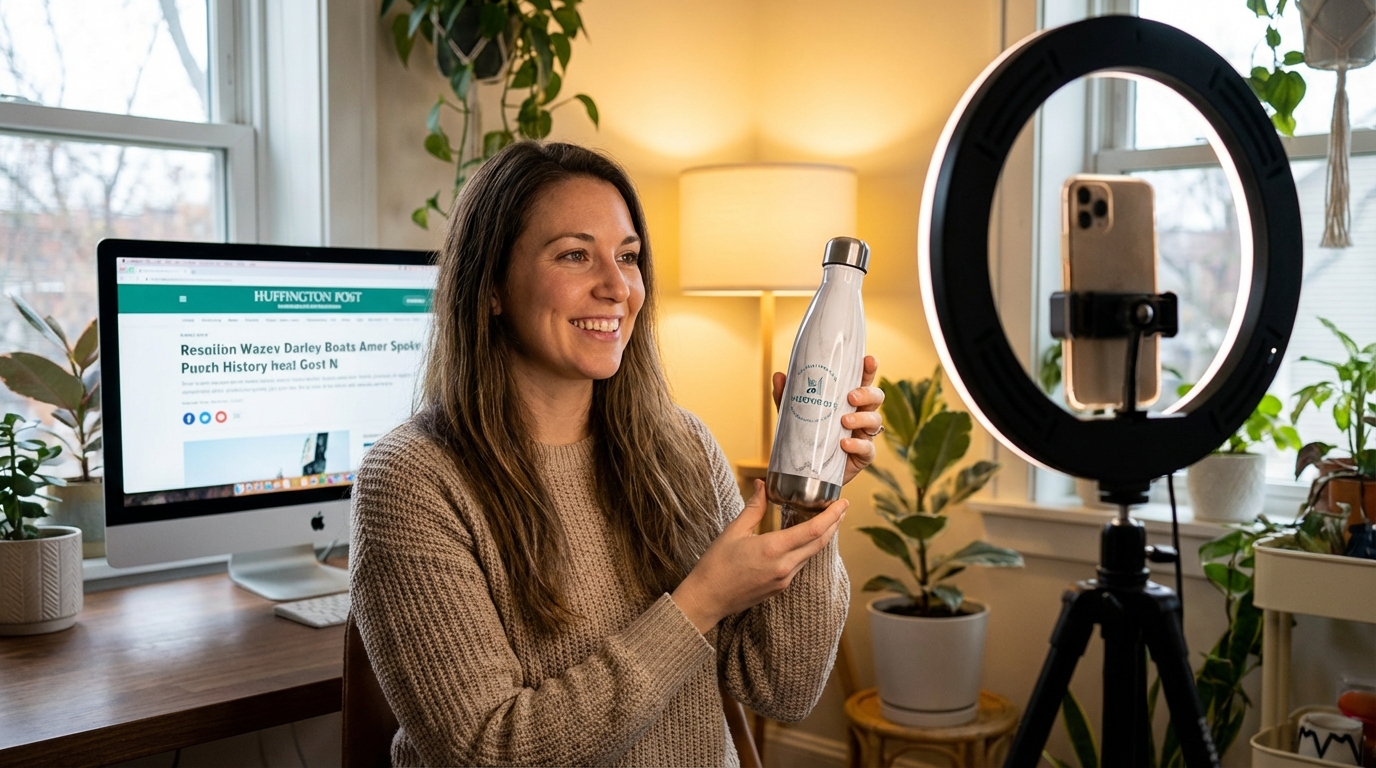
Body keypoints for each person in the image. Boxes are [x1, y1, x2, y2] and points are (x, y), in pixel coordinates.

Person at [349, 141, 884, 767]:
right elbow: (489, 752)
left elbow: (783, 690)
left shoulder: (680, 449)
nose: (616, 287)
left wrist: (810, 496)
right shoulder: (412, 481)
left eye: (627, 257)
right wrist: (699, 602)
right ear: (491, 285)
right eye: (575, 255)